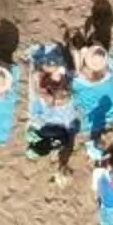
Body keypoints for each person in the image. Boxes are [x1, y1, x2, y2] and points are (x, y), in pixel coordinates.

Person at [25, 43, 83, 177]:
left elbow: (37, 87)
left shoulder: (45, 116)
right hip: (56, 100)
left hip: (56, 102)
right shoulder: (42, 118)